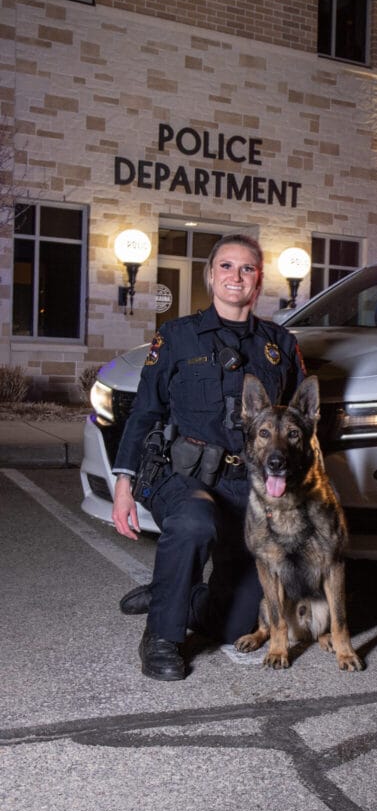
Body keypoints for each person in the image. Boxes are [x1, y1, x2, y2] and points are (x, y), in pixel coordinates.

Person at [112, 233, 306, 681]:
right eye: (225, 266)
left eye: (247, 268)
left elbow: (298, 424)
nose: (235, 276)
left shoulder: (280, 345)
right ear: (210, 276)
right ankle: (161, 636)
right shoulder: (177, 336)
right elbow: (145, 411)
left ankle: (173, 591)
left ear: (258, 282)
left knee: (235, 625)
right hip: (185, 475)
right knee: (195, 520)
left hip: (249, 487)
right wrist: (123, 480)